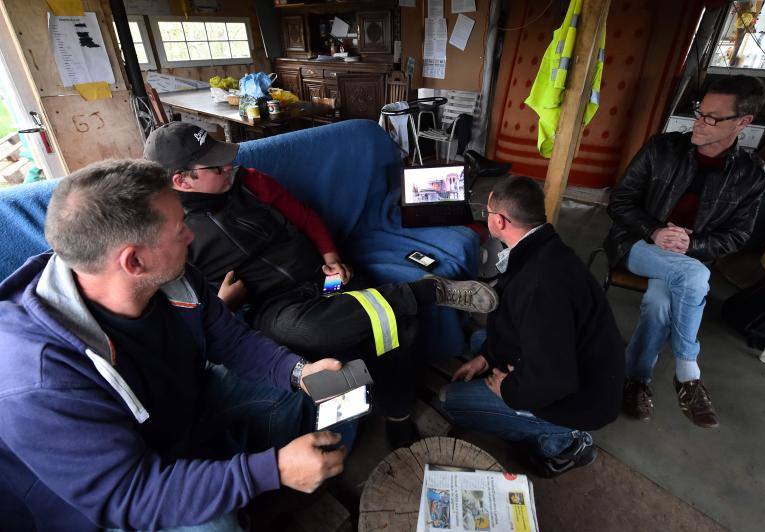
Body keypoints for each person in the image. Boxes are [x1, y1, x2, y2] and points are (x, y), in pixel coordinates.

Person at [0, 160, 348, 531]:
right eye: (179, 228)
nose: (190, 236)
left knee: (301, 392)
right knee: (216, 526)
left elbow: (229, 339)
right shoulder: (38, 380)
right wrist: (269, 470)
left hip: (176, 414)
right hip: (114, 496)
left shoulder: (170, 276)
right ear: (133, 260)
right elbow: (128, 495)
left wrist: (299, 372)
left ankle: (256, 493)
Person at [142, 122, 498, 448]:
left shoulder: (250, 181)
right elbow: (192, 319)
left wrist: (329, 256)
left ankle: (398, 412)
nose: (227, 168)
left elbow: (306, 217)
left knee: (398, 324)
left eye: (223, 158)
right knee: (314, 330)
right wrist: (225, 305)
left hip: (323, 279)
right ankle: (424, 293)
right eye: (215, 167)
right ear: (181, 180)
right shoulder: (172, 233)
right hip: (276, 306)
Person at [604, 75, 765, 428]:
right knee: (694, 274)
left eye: (712, 117)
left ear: (743, 123)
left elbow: (738, 235)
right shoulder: (662, 148)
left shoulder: (751, 174)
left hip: (688, 257)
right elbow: (619, 201)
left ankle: (636, 379)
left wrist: (692, 244)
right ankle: (688, 372)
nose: (699, 121)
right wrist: (655, 230)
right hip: (637, 244)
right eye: (699, 111)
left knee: (660, 302)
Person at [441, 176, 625, 478]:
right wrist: (487, 357)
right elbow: (521, 327)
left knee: (450, 400)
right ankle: (513, 390)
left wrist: (508, 390)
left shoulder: (541, 284)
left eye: (487, 213)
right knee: (479, 341)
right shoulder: (541, 247)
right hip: (571, 363)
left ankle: (563, 442)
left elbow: (555, 378)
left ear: (499, 221)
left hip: (581, 398)